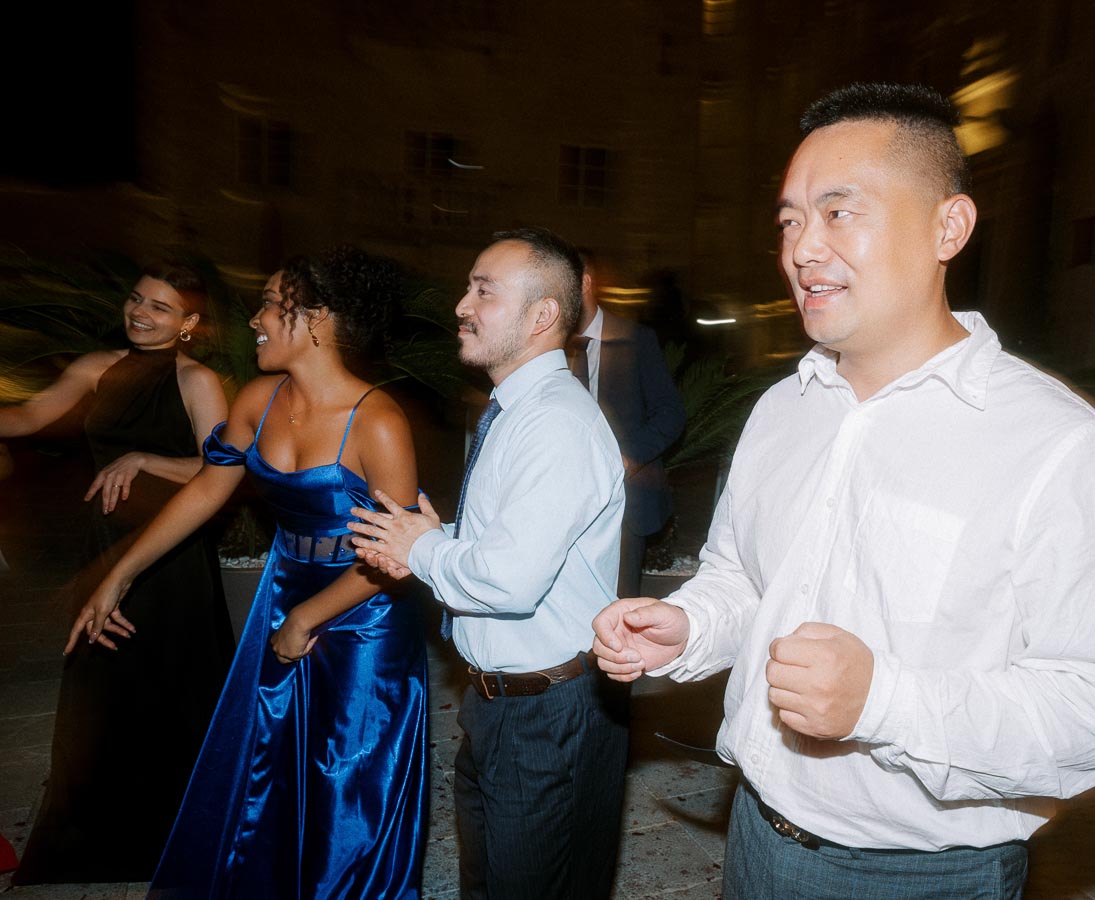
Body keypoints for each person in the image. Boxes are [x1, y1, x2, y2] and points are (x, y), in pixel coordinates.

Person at [592, 82, 1095, 899]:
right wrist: (688, 626)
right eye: (789, 221)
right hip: (756, 835)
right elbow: (746, 579)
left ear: (948, 227)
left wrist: (882, 701)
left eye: (838, 212)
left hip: (925, 876)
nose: (801, 249)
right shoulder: (783, 409)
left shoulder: (1058, 446)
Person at [74, 247, 427, 898]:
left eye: (270, 304)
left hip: (362, 613)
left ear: (316, 319)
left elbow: (397, 557)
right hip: (284, 590)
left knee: (345, 782)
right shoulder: (258, 399)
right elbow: (208, 491)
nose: (255, 320)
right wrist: (119, 574)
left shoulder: (377, 421)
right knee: (267, 771)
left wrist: (308, 617)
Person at [348, 226, 629, 899]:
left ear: (541, 317)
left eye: (484, 291)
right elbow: (508, 546)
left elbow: (509, 579)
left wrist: (422, 548)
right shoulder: (514, 411)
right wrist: (440, 544)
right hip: (501, 701)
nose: (460, 305)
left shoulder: (553, 423)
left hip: (545, 714)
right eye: (468, 287)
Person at [0, 263, 233, 884]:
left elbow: (225, 470)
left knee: (171, 691)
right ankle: (98, 841)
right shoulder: (95, 366)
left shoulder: (196, 378)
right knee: (101, 693)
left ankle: (182, 837)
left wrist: (147, 456)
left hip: (174, 562)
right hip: (104, 544)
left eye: (161, 307)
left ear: (187, 324)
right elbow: (24, 420)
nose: (141, 312)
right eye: (136, 298)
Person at [571, 249, 685, 596]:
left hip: (624, 500)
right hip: (564, 497)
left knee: (618, 606)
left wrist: (625, 459)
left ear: (585, 283)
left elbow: (670, 414)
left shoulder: (636, 339)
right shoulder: (548, 345)